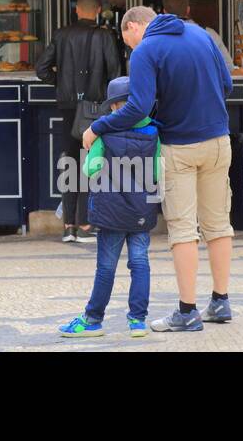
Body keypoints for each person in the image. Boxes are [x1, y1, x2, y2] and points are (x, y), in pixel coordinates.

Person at [85, 4, 234, 333]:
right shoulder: (201, 33)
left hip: (179, 146)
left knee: (183, 229)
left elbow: (137, 106)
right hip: (219, 141)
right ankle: (221, 301)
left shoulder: (146, 50)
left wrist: (97, 127)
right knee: (218, 224)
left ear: (134, 27)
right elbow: (228, 85)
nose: (131, 50)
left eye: (129, 42)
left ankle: (187, 311)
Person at [59, 77, 160, 338]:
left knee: (106, 267)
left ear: (114, 107)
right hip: (141, 211)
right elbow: (159, 171)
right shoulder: (153, 133)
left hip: (111, 211)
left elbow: (90, 169)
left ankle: (93, 320)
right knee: (140, 263)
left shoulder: (103, 133)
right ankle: (138, 321)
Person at [34, 0, 122, 242]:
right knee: (91, 162)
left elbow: (41, 68)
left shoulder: (61, 35)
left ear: (76, 9)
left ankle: (68, 225)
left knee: (70, 161)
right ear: (97, 11)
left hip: (67, 108)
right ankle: (85, 224)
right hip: (94, 110)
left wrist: (60, 83)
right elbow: (115, 73)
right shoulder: (104, 36)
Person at [161, 0, 233, 71]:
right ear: (188, 10)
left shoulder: (155, 39)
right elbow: (228, 66)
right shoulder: (210, 35)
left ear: (164, 11)